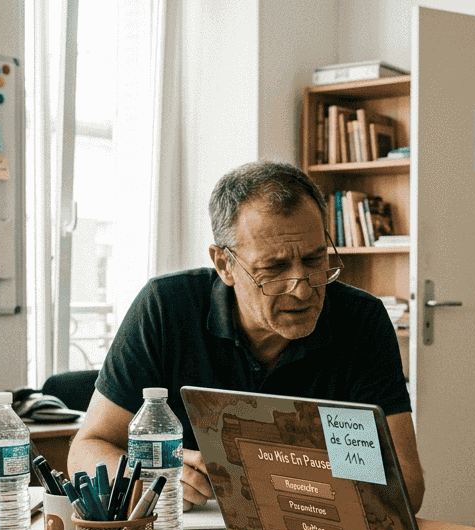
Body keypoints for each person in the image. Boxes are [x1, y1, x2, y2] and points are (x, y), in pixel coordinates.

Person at [69, 160, 424, 511]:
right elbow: (87, 450)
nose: (303, 290)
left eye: (315, 260)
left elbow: (406, 485)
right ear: (224, 265)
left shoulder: (361, 321)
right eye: (275, 268)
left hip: (315, 526)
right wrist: (149, 478)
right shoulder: (166, 307)